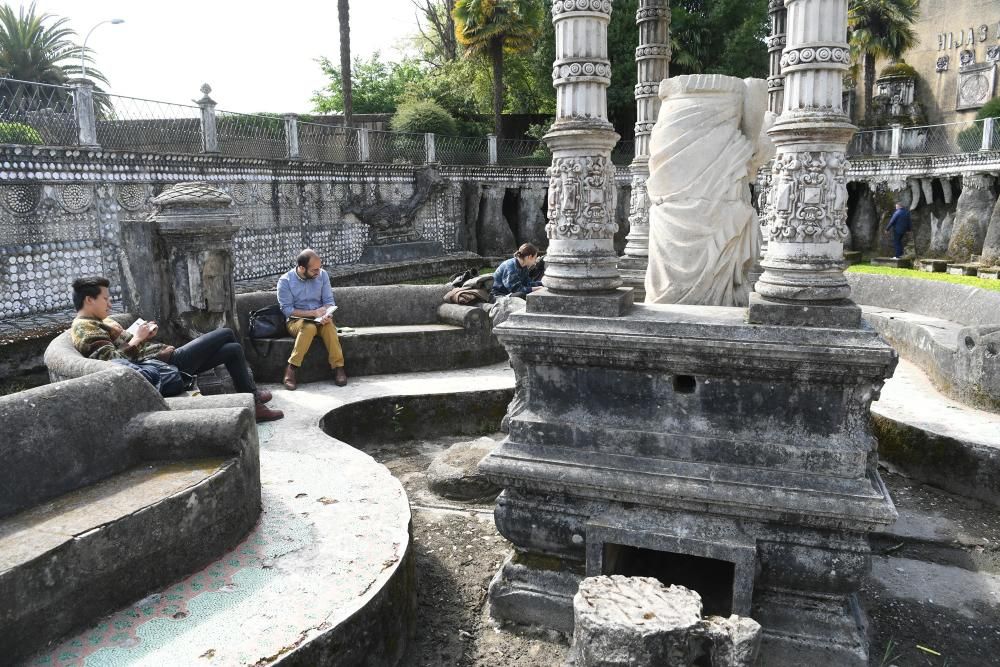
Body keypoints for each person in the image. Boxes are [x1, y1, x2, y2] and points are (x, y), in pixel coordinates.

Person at [70, 276, 284, 422]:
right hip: (165, 367)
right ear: (89, 300)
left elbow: (124, 345)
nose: (109, 305)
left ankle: (253, 399)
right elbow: (113, 363)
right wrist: (137, 338)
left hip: (162, 359)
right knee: (226, 333)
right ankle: (254, 399)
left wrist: (144, 335)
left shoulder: (101, 321)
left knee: (233, 349)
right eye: (105, 299)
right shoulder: (84, 329)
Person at [277, 249, 346, 390]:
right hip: (296, 321)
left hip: (320, 318)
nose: (318, 273)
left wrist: (327, 314)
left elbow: (328, 301)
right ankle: (291, 369)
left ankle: (339, 368)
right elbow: (287, 310)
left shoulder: (323, 275)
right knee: (308, 328)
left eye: (319, 268)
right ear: (302, 268)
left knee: (329, 327)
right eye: (314, 270)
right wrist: (312, 313)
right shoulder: (285, 281)